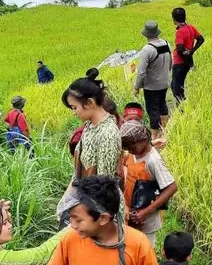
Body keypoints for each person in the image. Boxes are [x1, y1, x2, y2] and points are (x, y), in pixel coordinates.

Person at [57, 73, 122, 228]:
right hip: (86, 201)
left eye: (74, 107)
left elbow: (104, 184)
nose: (74, 112)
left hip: (100, 211)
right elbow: (80, 170)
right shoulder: (89, 126)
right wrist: (67, 199)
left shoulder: (107, 134)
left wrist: (87, 218)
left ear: (90, 103)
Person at [120, 122, 177, 246]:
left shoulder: (153, 161)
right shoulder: (134, 153)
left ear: (143, 140)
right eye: (127, 148)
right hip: (131, 213)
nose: (130, 150)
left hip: (147, 219)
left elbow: (172, 187)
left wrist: (145, 212)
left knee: (145, 250)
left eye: (131, 147)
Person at [133, 21, 172, 139]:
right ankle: (164, 130)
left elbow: (141, 71)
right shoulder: (166, 43)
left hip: (152, 86)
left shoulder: (147, 49)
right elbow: (171, 62)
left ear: (146, 34)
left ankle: (154, 137)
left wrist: (136, 87)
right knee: (162, 104)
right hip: (164, 82)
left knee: (153, 110)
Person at [170, 8, 205, 103]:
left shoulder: (180, 32)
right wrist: (192, 51)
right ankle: (183, 106)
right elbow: (201, 39)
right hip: (186, 63)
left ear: (174, 19)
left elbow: (180, 49)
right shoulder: (191, 27)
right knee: (177, 85)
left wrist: (187, 60)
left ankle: (183, 109)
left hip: (180, 63)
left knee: (176, 89)